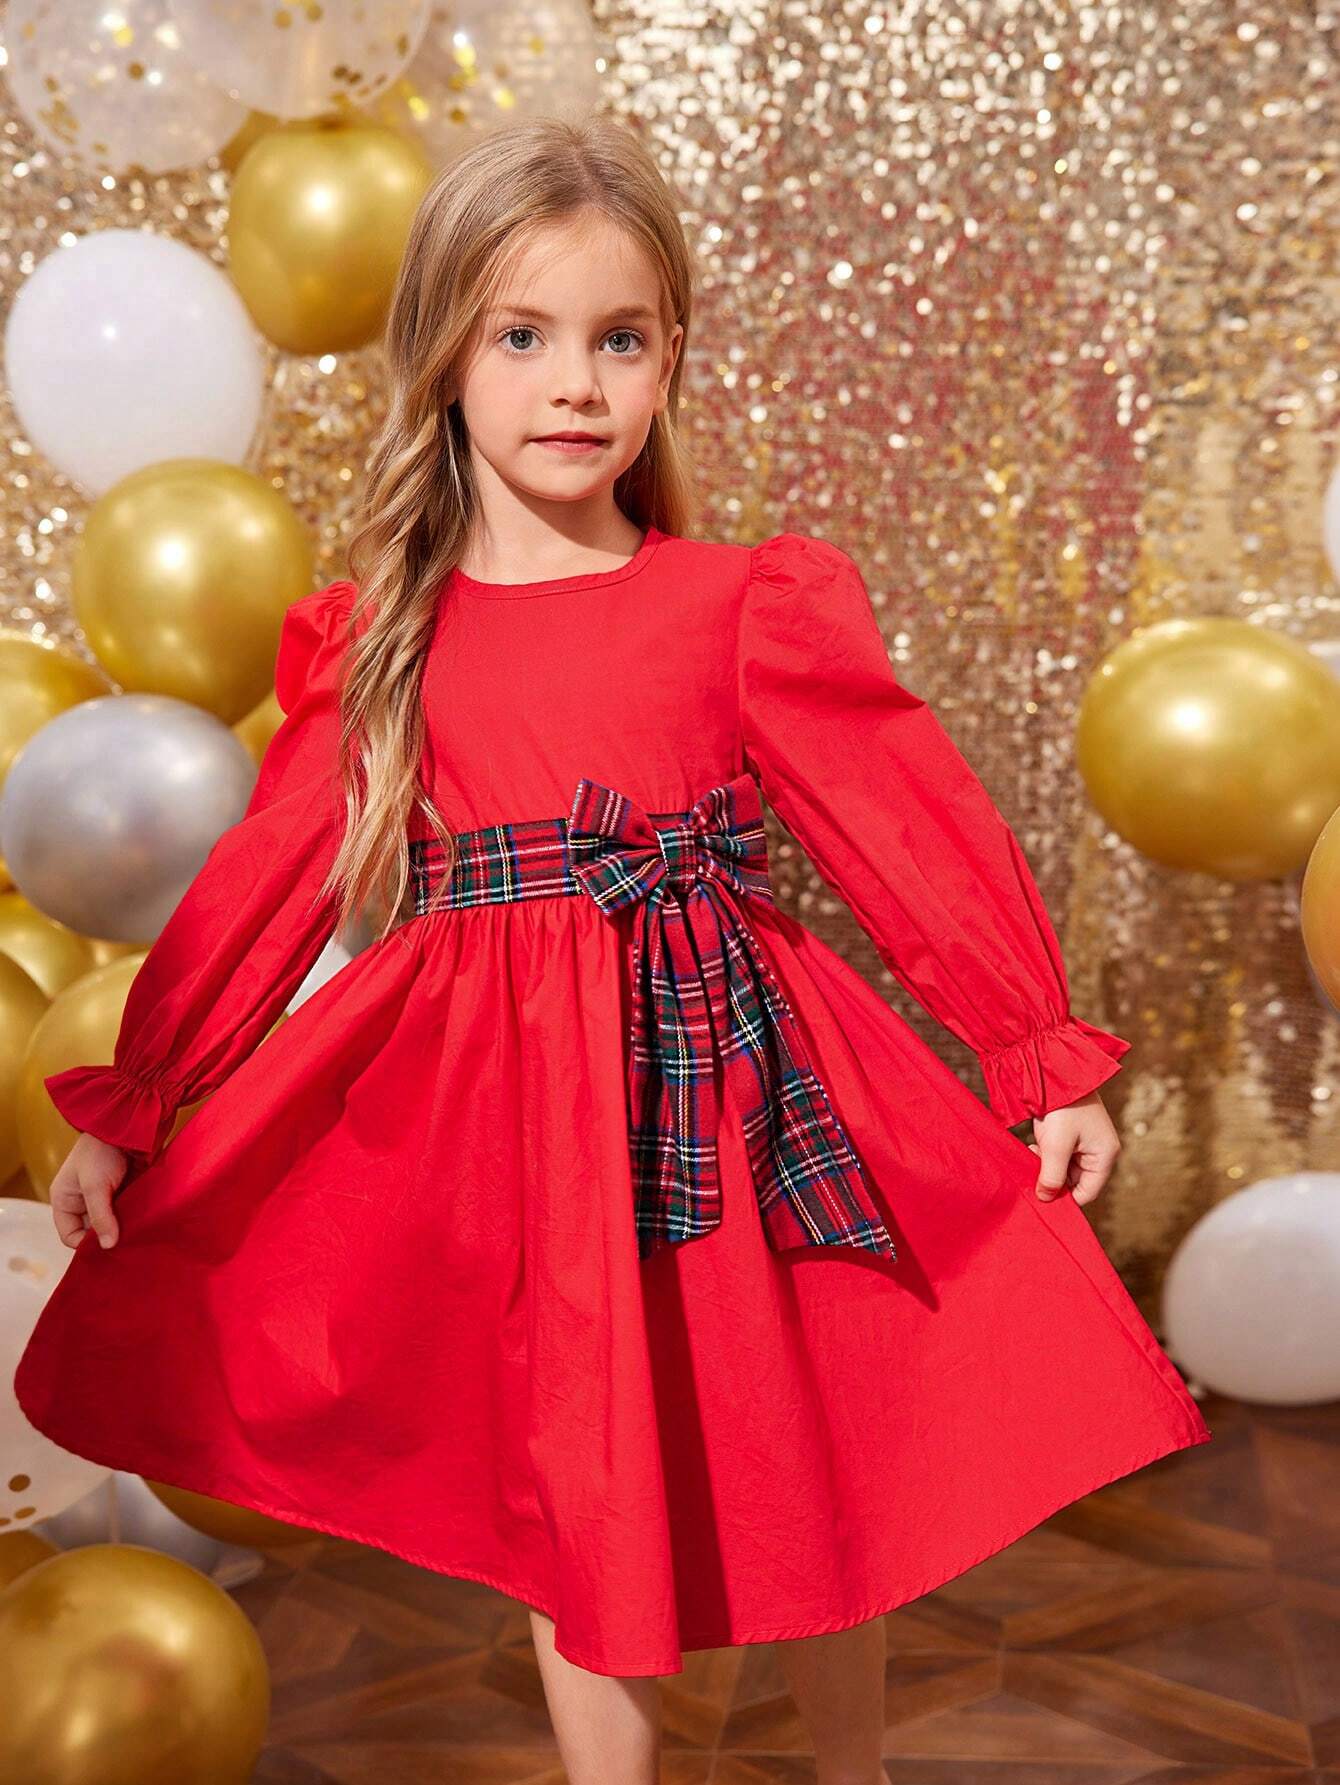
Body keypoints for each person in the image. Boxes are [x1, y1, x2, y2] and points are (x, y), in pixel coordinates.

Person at [14, 115, 1212, 1785]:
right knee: (577, 1484)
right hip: (521, 1125)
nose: (574, 384)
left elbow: (898, 819)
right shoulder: (388, 642)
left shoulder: (739, 603)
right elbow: (270, 877)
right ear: (444, 359)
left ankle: (852, 1771)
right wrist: (143, 1095)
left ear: (668, 361)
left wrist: (1033, 1046)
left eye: (620, 340)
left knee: (816, 1439)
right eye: (523, 337)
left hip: (740, 1084)